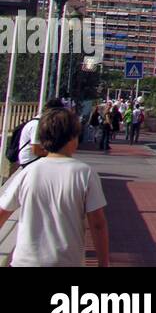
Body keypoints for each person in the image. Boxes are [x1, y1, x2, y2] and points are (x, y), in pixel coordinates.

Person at [0, 105, 110, 267]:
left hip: (25, 262)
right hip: (67, 261)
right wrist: (103, 263)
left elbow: (3, 212)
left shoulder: (28, 172)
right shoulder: (85, 173)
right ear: (73, 138)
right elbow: (98, 224)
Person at [15, 98, 65, 169]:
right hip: (30, 160)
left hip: (34, 158)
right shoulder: (37, 125)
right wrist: (56, 154)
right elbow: (36, 150)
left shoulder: (40, 122)